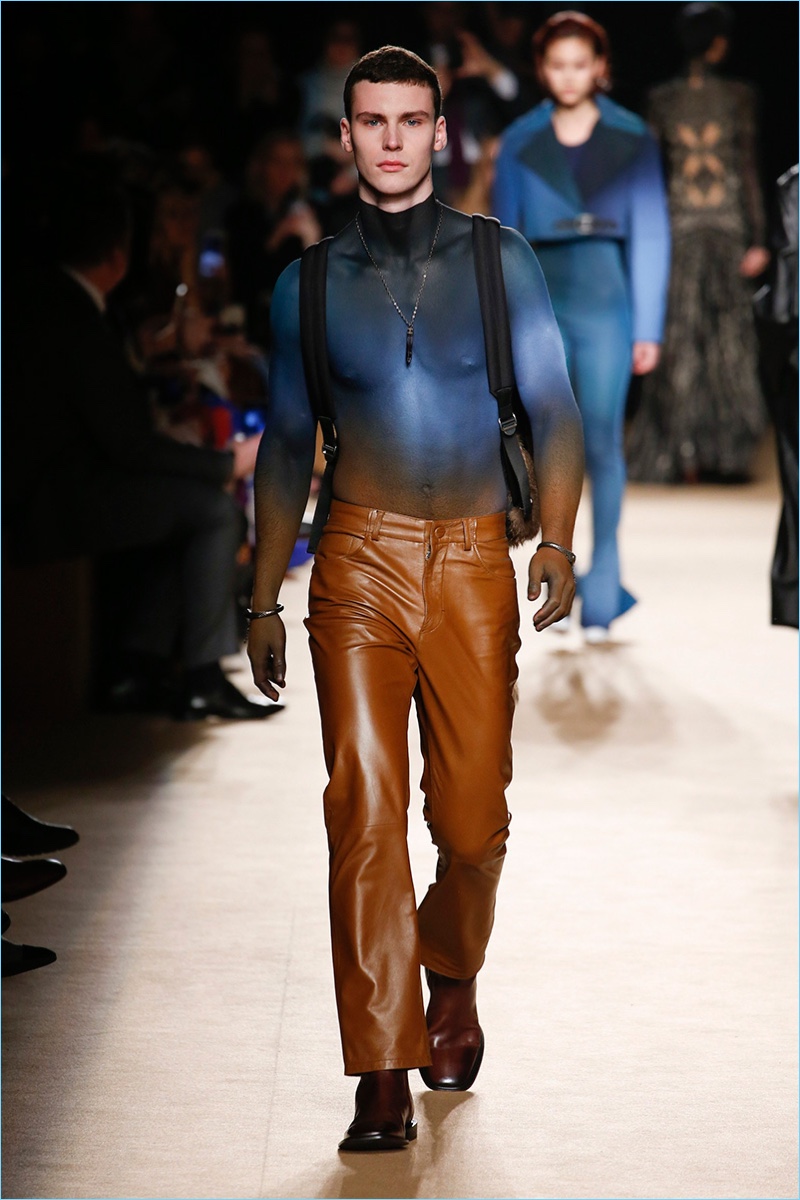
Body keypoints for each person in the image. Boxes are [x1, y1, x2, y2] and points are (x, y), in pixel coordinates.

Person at [247, 45, 584, 1151]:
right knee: (363, 807)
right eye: (370, 121)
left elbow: (555, 405)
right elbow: (286, 443)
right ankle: (381, 1066)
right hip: (355, 560)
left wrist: (558, 539)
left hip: (475, 559)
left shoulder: (498, 260)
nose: (389, 139)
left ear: (439, 133)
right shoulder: (304, 286)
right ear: (344, 135)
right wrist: (260, 598)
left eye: (409, 120)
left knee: (473, 824)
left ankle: (451, 970)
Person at [3, 161, 277, 721]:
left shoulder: (46, 301)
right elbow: (131, 448)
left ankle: (137, 667)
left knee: (184, 507)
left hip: (47, 487)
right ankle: (201, 676)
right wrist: (225, 464)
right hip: (46, 504)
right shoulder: (79, 322)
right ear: (118, 255)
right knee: (211, 511)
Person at [492, 10, 670, 642]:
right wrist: (502, 323)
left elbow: (652, 233)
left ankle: (606, 583)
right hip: (540, 295)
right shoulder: (519, 139)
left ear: (600, 67)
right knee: (544, 439)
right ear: (543, 69)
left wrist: (648, 326)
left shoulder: (634, 136)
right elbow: (502, 240)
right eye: (557, 64)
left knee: (603, 441)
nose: (569, 75)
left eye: (580, 63)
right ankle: (557, 575)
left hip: (606, 298)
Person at [625, 2, 769, 484]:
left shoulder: (661, 99)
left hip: (677, 233)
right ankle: (721, 455)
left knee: (684, 342)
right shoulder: (738, 96)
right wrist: (760, 238)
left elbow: (652, 177)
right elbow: (746, 168)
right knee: (725, 344)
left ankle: (682, 452)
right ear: (718, 42)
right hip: (726, 232)